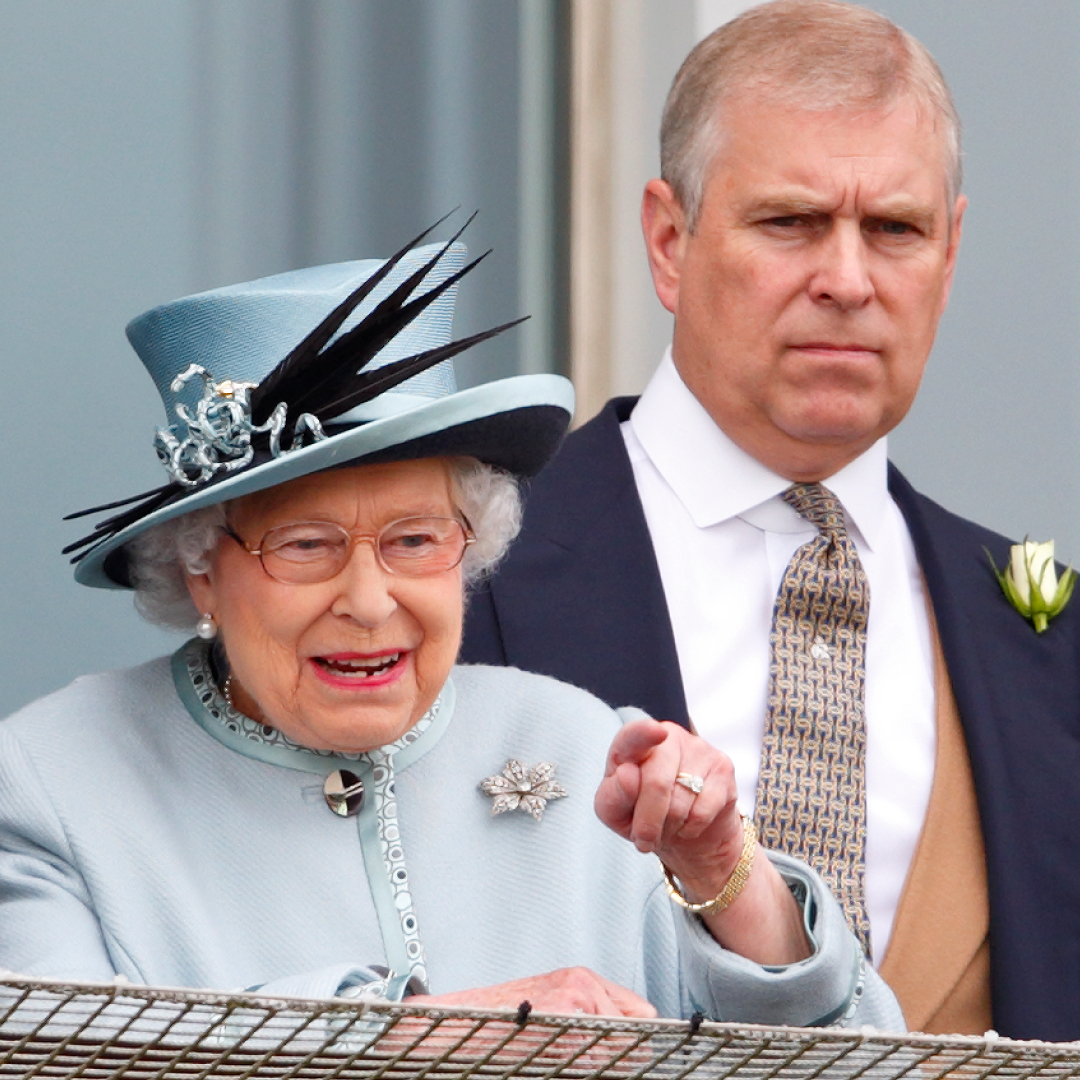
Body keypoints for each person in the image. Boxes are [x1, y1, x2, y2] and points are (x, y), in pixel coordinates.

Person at [0, 226, 901, 1031]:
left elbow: (869, 1064)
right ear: (201, 565)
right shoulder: (52, 789)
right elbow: (54, 1055)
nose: (368, 598)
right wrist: (419, 1036)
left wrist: (725, 881)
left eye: (415, 540)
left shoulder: (578, 742)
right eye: (306, 544)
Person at [461, 0, 1080, 1042]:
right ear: (668, 239)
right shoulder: (461, 578)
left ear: (951, 253)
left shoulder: (1052, 642)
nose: (847, 280)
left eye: (895, 229)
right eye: (790, 222)